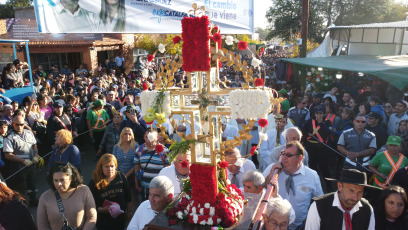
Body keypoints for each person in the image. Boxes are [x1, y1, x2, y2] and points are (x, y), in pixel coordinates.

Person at [263, 141, 323, 229]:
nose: (284, 157)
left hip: (297, 226)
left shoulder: (311, 176)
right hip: (273, 225)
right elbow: (261, 188)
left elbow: (320, 201)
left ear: (299, 158)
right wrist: (272, 173)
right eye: (283, 153)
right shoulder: (274, 168)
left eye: (289, 155)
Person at [305, 169, 376, 230]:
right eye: (351, 191)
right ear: (339, 186)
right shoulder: (319, 206)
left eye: (360, 192)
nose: (355, 197)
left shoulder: (367, 209)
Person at [37, 162, 97, 230]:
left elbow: (92, 217)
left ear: (71, 178)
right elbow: (42, 225)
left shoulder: (83, 190)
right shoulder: (45, 197)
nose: (59, 184)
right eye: (56, 180)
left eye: (62, 180)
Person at [3, 116, 40, 205]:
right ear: (13, 124)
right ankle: (22, 205)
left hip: (32, 163)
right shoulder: (9, 137)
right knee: (21, 187)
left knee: (32, 183)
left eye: (21, 124)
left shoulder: (29, 133)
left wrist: (35, 155)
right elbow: (8, 155)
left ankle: (33, 199)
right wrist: (23, 161)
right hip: (19, 167)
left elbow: (34, 145)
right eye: (16, 124)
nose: (19, 126)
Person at [89, 154, 132, 230]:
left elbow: (128, 197)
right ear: (101, 167)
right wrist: (103, 209)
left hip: (120, 218)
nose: (110, 169)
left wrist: (129, 213)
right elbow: (90, 204)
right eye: (106, 166)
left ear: (116, 166)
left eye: (112, 166)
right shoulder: (95, 181)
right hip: (103, 220)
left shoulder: (121, 176)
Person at [134, 130, 169, 201]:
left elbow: (168, 169)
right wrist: (137, 185)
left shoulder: (164, 151)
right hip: (144, 187)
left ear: (157, 137)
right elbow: (136, 169)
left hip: (159, 189)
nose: (150, 139)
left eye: (152, 137)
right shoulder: (139, 150)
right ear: (144, 137)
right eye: (147, 137)